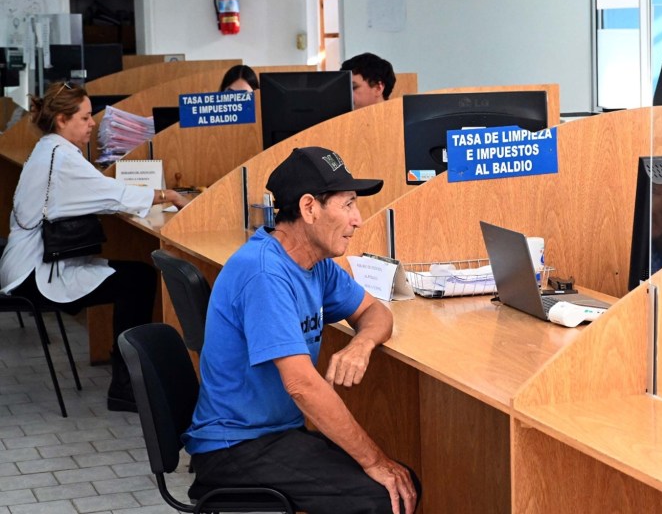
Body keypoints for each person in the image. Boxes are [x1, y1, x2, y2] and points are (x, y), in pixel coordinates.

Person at [182, 146, 419, 514]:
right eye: (348, 205)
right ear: (309, 208)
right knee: (383, 496)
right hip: (236, 447)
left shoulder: (314, 264)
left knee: (403, 484)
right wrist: (374, 461)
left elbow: (376, 311)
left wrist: (362, 343)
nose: (358, 219)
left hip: (274, 434)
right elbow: (302, 385)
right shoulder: (265, 273)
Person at [0, 81, 189, 412]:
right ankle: (125, 385)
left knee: (136, 277)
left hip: (28, 263)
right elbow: (113, 195)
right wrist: (169, 195)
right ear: (62, 119)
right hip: (34, 273)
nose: (93, 124)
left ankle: (126, 379)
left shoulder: (50, 149)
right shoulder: (61, 159)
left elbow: (100, 193)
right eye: (86, 118)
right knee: (139, 280)